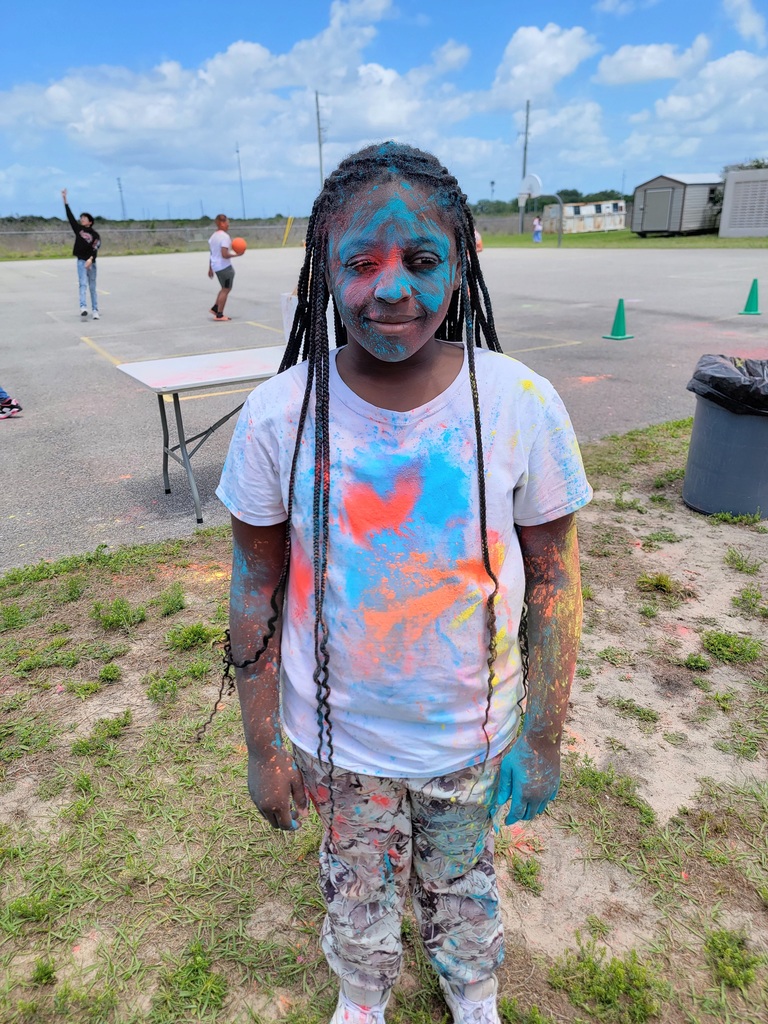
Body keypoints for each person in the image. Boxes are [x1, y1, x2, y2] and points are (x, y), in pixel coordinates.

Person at [215, 143, 591, 1024]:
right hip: (339, 744)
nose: (392, 289)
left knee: (462, 879)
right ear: (325, 269)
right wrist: (264, 747)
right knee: (356, 886)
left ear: (461, 266)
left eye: (422, 260)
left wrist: (542, 736)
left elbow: (555, 580)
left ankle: (474, 992)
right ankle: (362, 995)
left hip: (471, 736)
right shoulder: (278, 415)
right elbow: (253, 587)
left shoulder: (521, 402)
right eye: (362, 263)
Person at [61, 189, 101, 318]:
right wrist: (65, 200)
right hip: (81, 261)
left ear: (90, 221)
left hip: (91, 262)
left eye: (84, 218)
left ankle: (95, 310)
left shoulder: (95, 235)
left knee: (92, 287)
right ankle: (83, 307)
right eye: (81, 218)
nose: (82, 219)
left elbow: (95, 248)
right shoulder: (79, 230)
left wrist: (91, 259)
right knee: (82, 284)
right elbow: (70, 217)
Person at [208, 214, 242, 320]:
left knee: (223, 288)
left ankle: (215, 308)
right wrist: (237, 255)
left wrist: (210, 268)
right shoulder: (225, 237)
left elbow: (212, 253)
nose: (228, 225)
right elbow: (224, 254)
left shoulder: (213, 236)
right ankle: (219, 314)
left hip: (216, 266)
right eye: (227, 223)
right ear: (222, 223)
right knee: (226, 289)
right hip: (224, 268)